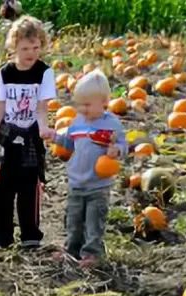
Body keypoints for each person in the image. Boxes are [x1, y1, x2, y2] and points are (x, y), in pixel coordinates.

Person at [0, 15, 57, 252]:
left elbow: (42, 109)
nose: (31, 53)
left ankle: (30, 235)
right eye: (25, 48)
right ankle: (0, 235)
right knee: (2, 187)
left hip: (31, 135)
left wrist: (43, 128)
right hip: (8, 136)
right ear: (14, 48)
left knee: (30, 187)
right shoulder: (5, 73)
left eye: (36, 47)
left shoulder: (44, 72)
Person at [49, 69, 128, 265]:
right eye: (79, 104)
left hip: (98, 185)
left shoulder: (111, 124)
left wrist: (116, 150)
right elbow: (69, 144)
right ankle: (71, 249)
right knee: (73, 220)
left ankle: (92, 254)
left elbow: (124, 145)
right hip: (77, 181)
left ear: (104, 102)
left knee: (94, 222)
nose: (82, 109)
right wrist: (54, 137)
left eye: (87, 105)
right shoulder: (77, 122)